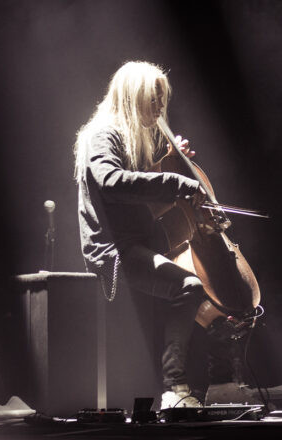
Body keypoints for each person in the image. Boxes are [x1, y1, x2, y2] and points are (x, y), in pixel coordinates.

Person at [74, 60, 210, 409]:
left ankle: (187, 385)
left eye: (162, 101)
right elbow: (112, 182)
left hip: (138, 244)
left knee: (197, 291)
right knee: (189, 286)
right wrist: (176, 180)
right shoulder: (103, 134)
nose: (160, 109)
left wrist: (168, 161)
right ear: (134, 97)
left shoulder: (130, 139)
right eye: (155, 100)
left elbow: (139, 191)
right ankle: (174, 387)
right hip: (115, 250)